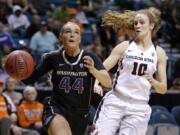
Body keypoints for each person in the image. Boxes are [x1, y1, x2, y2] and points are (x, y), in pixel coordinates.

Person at [22, 21, 112, 135]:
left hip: (81, 113)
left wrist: (93, 70)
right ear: (61, 37)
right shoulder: (52, 58)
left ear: (80, 38)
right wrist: (15, 71)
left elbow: (108, 82)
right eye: (68, 32)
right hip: (56, 108)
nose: (72, 35)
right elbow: (29, 79)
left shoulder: (90, 57)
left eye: (76, 32)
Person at [92, 7, 167, 135]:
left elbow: (163, 89)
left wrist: (153, 81)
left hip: (139, 107)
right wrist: (96, 83)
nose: (137, 25)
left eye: (142, 22)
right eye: (136, 23)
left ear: (151, 25)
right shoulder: (125, 46)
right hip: (116, 100)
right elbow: (101, 69)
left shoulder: (159, 53)